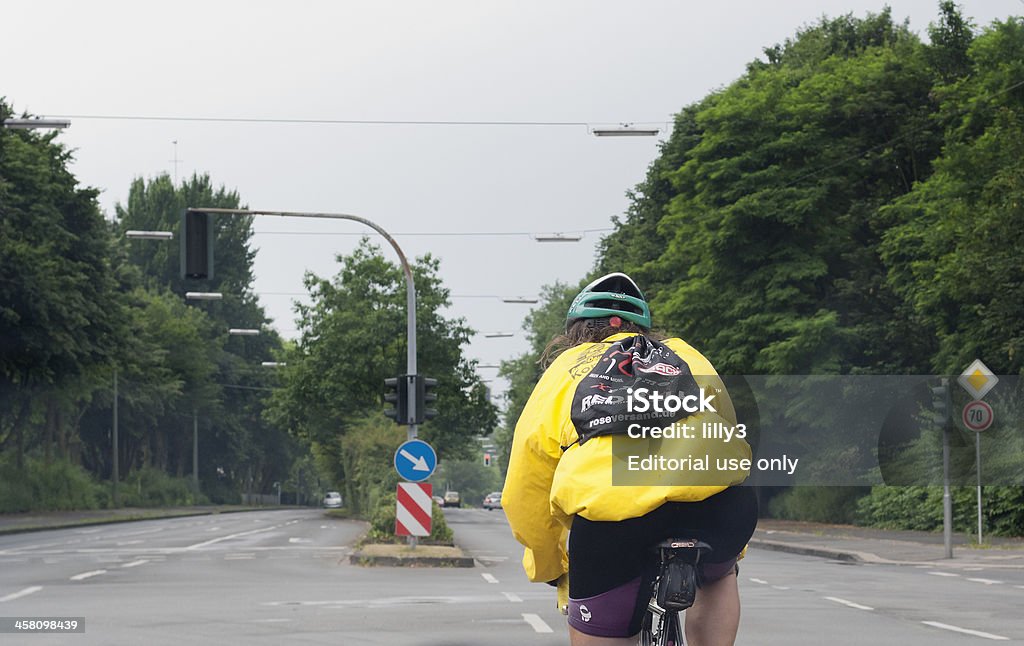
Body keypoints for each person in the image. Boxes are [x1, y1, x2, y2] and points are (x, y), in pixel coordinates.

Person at [503, 272, 758, 646]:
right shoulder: (686, 354)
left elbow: (528, 480)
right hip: (719, 506)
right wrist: (730, 546)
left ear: (575, 333)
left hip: (613, 518)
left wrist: (554, 568)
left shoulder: (567, 368)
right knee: (719, 578)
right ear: (645, 329)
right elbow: (727, 432)